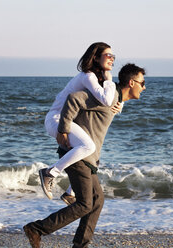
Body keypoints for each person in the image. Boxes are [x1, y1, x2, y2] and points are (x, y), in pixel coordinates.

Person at [24, 63, 146, 248]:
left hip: (89, 159)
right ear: (131, 82)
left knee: (97, 201)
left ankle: (80, 244)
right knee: (84, 204)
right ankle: (37, 229)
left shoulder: (115, 101)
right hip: (77, 155)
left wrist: (119, 105)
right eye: (142, 82)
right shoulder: (108, 98)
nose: (144, 87)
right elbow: (74, 99)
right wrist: (63, 131)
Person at [40, 42, 123, 200]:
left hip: (67, 119)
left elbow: (108, 100)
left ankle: (71, 192)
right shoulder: (88, 76)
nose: (112, 59)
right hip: (56, 118)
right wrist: (110, 79)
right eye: (108, 55)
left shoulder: (95, 79)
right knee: (88, 146)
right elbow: (106, 100)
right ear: (96, 57)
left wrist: (120, 105)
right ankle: (49, 173)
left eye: (113, 56)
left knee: (92, 150)